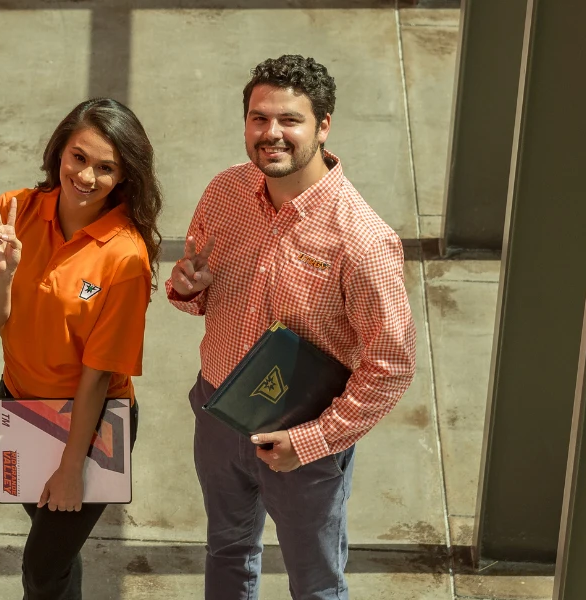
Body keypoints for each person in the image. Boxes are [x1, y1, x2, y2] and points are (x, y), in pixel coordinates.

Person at [168, 55, 417, 599]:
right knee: (227, 552)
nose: (271, 134)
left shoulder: (363, 240)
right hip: (218, 412)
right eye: (259, 118)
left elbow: (391, 365)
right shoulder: (226, 193)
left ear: (323, 126)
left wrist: (311, 442)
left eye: (289, 120)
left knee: (315, 584)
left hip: (303, 440)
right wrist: (189, 289)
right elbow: (195, 297)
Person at [0, 98, 164, 600]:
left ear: (124, 177)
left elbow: (98, 375)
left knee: (42, 567)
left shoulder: (125, 256)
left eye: (106, 168)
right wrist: (5, 271)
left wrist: (70, 467)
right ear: (60, 151)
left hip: (90, 422)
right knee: (58, 556)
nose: (86, 176)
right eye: (78, 157)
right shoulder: (15, 213)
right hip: (18, 402)